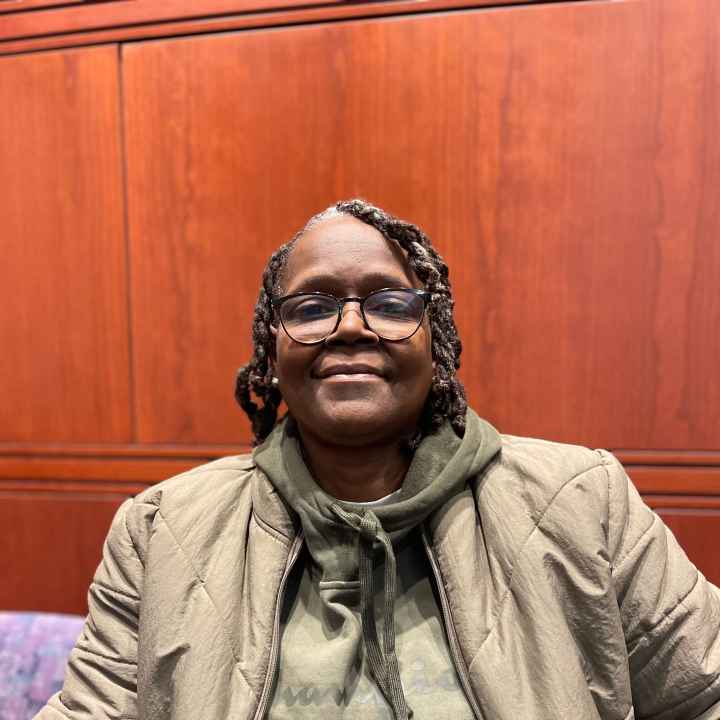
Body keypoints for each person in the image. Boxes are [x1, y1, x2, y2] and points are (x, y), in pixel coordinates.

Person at [37, 199, 720, 720]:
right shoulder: (162, 530)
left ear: (436, 340)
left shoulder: (579, 502)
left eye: (390, 303)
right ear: (272, 349)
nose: (353, 325)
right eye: (313, 306)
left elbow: (705, 689)